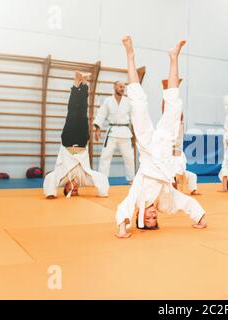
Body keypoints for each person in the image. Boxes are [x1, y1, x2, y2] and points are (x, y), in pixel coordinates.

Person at [116, 36, 206, 239]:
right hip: (164, 150)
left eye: (148, 218)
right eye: (155, 219)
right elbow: (185, 203)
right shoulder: (166, 202)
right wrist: (199, 217)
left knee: (138, 101)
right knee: (174, 104)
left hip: (147, 149)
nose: (153, 215)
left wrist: (123, 229)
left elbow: (124, 206)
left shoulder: (138, 197)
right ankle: (174, 56)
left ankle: (130, 53)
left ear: (139, 215)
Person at [43, 71, 109, 199]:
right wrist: (103, 193)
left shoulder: (62, 177)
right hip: (82, 141)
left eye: (70, 190)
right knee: (83, 112)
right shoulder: (84, 179)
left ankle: (75, 82)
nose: (74, 187)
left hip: (68, 141)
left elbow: (49, 179)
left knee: (72, 112)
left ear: (65, 188)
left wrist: (51, 193)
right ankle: (84, 83)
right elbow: (101, 179)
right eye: (75, 191)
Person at [161, 79, 201, 196]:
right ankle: (171, 88)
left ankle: (168, 89)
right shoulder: (172, 176)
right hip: (175, 146)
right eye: (175, 187)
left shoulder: (168, 174)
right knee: (170, 115)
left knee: (169, 115)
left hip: (171, 146)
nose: (175, 186)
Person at [93, 81, 135, 184]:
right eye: (120, 86)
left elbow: (133, 117)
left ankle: (131, 179)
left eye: (123, 87)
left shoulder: (128, 101)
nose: (122, 89)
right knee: (105, 157)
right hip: (112, 132)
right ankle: (102, 180)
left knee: (129, 158)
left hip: (125, 132)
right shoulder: (108, 101)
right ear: (114, 87)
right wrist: (97, 130)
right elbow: (101, 114)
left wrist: (135, 132)